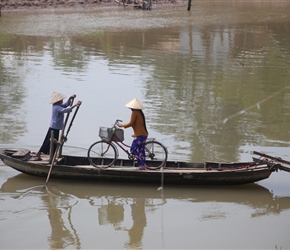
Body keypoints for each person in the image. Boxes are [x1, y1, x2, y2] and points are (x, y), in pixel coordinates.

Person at [36, 92, 81, 159]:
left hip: (55, 126)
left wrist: (70, 99)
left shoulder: (58, 105)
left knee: (51, 141)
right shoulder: (56, 107)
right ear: (58, 101)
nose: (62, 100)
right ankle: (46, 154)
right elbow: (65, 110)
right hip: (54, 127)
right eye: (61, 100)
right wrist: (75, 105)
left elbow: (65, 105)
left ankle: (46, 153)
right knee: (50, 142)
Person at [117, 98, 148, 170]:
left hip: (140, 135)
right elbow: (138, 125)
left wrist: (122, 125)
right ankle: (143, 165)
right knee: (141, 150)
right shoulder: (140, 112)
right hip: (143, 134)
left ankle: (142, 165)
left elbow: (131, 123)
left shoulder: (135, 112)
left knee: (133, 150)